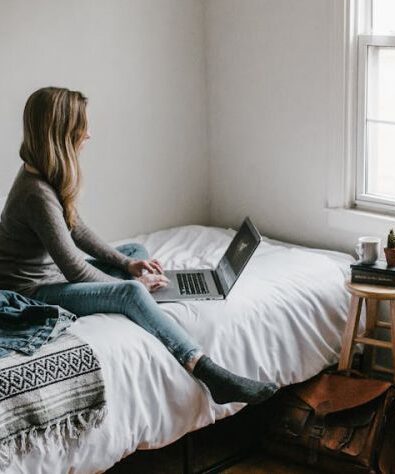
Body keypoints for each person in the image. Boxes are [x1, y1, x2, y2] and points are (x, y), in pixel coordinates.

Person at [0, 87, 277, 405]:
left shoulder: (45, 175)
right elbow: (73, 267)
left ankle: (134, 291)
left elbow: (76, 228)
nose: (89, 134)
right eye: (82, 127)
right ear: (62, 132)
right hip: (32, 291)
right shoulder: (36, 193)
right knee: (131, 293)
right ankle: (210, 373)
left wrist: (128, 265)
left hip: (51, 276)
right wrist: (136, 286)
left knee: (133, 252)